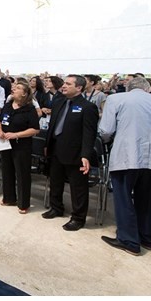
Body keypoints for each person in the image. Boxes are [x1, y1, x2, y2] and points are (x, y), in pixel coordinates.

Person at [98, 77, 151, 254]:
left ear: (128, 88)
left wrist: (108, 139)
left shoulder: (115, 99)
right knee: (148, 198)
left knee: (123, 198)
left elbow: (106, 130)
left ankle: (128, 240)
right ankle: (145, 237)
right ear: (148, 89)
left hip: (127, 155)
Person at [42, 74, 99, 231]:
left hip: (75, 153)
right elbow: (53, 125)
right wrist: (47, 145)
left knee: (78, 187)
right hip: (55, 149)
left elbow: (89, 134)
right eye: (64, 83)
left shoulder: (88, 107)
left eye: (68, 84)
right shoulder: (59, 102)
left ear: (79, 88)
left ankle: (78, 218)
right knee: (55, 181)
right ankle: (56, 208)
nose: (64, 86)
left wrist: (85, 155)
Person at [0, 81, 40, 214]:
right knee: (6, 171)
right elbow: (0, 121)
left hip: (21, 146)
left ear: (24, 94)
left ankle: (23, 203)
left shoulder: (30, 109)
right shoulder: (8, 106)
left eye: (18, 88)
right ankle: (9, 198)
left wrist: (16, 134)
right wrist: (0, 131)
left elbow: (35, 129)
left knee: (22, 174)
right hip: (5, 144)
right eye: (14, 87)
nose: (14, 89)